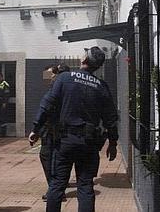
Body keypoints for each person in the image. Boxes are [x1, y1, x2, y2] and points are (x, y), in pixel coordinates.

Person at [29, 47, 118, 212]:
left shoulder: (64, 78)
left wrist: (36, 128)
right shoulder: (101, 86)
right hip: (89, 143)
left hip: (65, 142)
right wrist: (112, 142)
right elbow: (111, 119)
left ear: (84, 60)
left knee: (57, 185)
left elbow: (47, 104)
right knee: (85, 186)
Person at [38, 64, 70, 202]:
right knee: (53, 159)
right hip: (55, 129)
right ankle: (57, 189)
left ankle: (55, 190)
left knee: (49, 158)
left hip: (53, 130)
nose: (49, 76)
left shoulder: (57, 88)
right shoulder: (63, 88)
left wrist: (35, 129)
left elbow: (46, 109)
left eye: (51, 73)